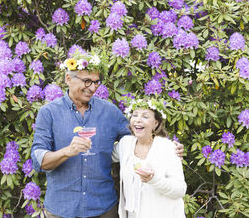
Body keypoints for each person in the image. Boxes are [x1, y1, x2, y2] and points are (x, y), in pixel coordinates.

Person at [31, 48, 184, 218]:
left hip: (103, 208)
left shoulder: (109, 112)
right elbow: (39, 161)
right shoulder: (49, 113)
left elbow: (138, 138)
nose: (92, 88)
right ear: (69, 79)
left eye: (96, 82)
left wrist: (167, 148)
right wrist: (68, 151)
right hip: (61, 209)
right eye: (87, 81)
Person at [112, 98, 186, 218]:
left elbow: (180, 190)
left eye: (145, 116)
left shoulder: (168, 148)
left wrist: (154, 179)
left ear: (156, 123)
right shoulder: (125, 144)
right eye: (135, 115)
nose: (138, 120)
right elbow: (105, 155)